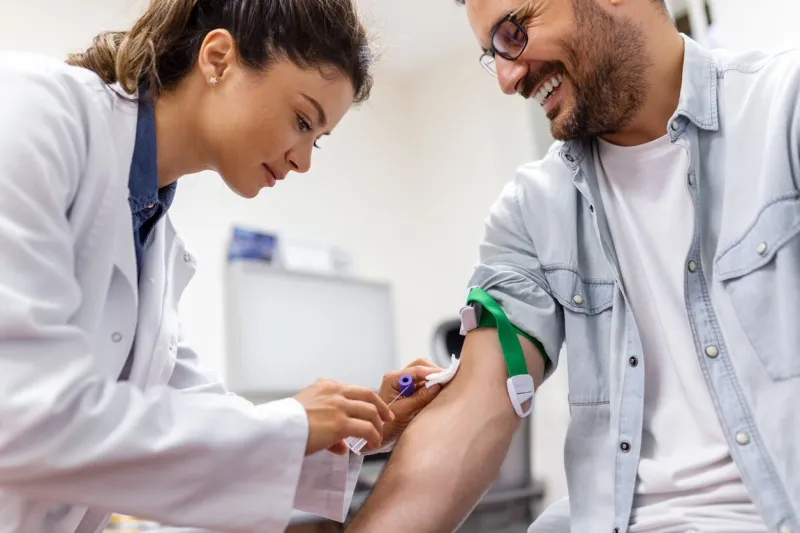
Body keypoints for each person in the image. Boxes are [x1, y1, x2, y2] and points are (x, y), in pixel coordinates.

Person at [346, 0, 800, 532]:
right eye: (493, 56)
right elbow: (473, 406)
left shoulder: (783, 111)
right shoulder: (530, 211)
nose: (508, 79)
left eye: (513, 33)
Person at [0, 1, 443, 532]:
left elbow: (195, 428)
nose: (303, 160)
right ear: (217, 59)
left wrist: (364, 425)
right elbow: (21, 414)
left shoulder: (155, 239)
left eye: (316, 139)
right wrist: (294, 423)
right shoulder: (34, 110)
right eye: (302, 121)